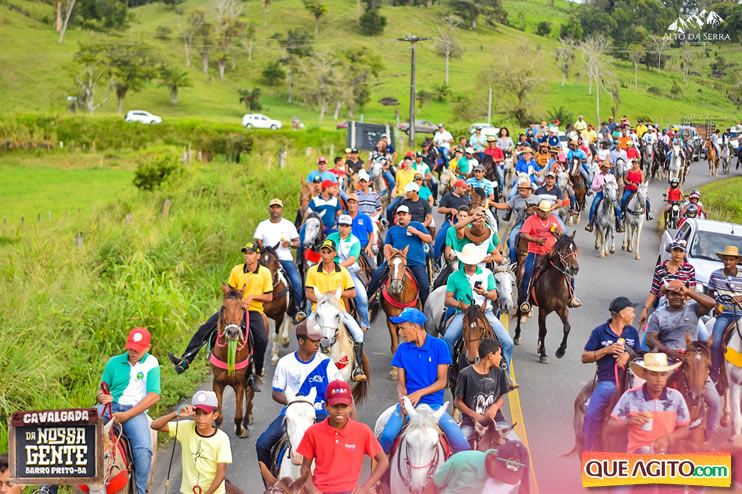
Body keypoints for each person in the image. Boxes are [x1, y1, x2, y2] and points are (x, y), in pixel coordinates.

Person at [168, 242, 271, 387]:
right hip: (233, 308)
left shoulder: (265, 273)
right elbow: (229, 292)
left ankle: (256, 372)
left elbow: (269, 297)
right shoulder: (236, 270)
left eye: (250, 253)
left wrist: (252, 297)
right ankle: (186, 360)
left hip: (253, 310)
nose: (246, 256)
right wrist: (233, 302)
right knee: (205, 328)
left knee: (261, 339)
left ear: (258, 256)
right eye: (245, 253)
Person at [255, 320, 346, 472]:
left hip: (320, 413)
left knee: (337, 446)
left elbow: (340, 390)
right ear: (301, 341)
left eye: (319, 340)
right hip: (291, 412)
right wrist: (294, 403)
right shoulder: (285, 362)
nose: (317, 344)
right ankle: (270, 482)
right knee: (262, 444)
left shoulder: (326, 363)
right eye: (313, 341)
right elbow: (276, 393)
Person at [378, 308, 470, 454]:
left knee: (461, 442)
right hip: (409, 404)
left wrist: (419, 393)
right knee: (387, 436)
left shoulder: (440, 346)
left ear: (415, 326)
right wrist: (403, 399)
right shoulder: (401, 349)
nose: (400, 333)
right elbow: (401, 384)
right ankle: (383, 468)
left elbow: (442, 382)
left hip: (434, 406)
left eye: (402, 328)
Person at [645, 279, 720, 435]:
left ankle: (709, 435)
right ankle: (653, 430)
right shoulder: (658, 315)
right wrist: (669, 351)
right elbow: (650, 339)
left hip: (693, 361)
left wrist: (688, 292)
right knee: (656, 391)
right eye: (673, 294)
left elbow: (712, 303)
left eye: (680, 294)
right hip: (669, 360)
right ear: (666, 296)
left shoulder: (693, 308)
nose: (677, 297)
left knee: (715, 401)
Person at [97, 327, 160, 494]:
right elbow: (101, 390)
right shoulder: (114, 362)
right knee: (76, 429)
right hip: (109, 406)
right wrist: (102, 397)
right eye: (131, 348)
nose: (133, 352)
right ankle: (51, 486)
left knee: (143, 451)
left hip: (134, 412)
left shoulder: (151, 363)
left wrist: (127, 415)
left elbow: (154, 395)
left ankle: (139, 490)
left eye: (137, 350)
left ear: (148, 348)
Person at [297, 380, 388, 494]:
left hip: (350, 491)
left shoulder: (363, 431)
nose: (339, 410)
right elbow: (305, 467)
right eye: (335, 406)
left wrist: (365, 488)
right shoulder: (313, 432)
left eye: (344, 406)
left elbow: (383, 461)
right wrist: (311, 489)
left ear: (350, 407)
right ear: (326, 406)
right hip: (320, 490)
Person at [581, 297, 642, 452]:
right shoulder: (599, 332)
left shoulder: (632, 332)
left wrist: (629, 354)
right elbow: (585, 357)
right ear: (622, 314)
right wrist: (606, 350)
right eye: (631, 312)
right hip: (608, 381)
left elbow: (640, 355)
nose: (634, 315)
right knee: (591, 415)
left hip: (632, 381)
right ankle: (588, 452)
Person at [443, 243, 514, 370]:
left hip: (485, 313)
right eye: (469, 261)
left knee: (508, 342)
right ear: (463, 261)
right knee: (448, 338)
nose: (471, 264)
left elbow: (494, 296)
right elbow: (448, 299)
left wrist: (485, 293)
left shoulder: (487, 274)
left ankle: (505, 372)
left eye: (474, 261)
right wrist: (460, 305)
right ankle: (448, 368)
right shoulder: (454, 277)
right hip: (463, 313)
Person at [305, 239, 366, 382]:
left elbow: (352, 293)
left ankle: (357, 367)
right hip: (318, 310)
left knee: (358, 333)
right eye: (323, 252)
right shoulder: (313, 271)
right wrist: (323, 300)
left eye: (329, 252)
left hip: (338, 310)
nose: (326, 255)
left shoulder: (343, 272)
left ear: (334, 254)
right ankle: (303, 364)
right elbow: (308, 293)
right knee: (302, 332)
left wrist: (336, 295)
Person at [606, 353, 690, 454]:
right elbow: (610, 426)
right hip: (637, 455)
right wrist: (629, 421)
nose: (659, 379)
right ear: (645, 375)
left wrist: (668, 438)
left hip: (666, 455)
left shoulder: (676, 397)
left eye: (663, 374)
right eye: (654, 374)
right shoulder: (630, 396)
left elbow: (685, 429)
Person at [150, 391, 232, 494]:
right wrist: (176, 414)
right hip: (189, 491)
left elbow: (221, 473)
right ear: (193, 414)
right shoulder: (186, 428)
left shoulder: (222, 438)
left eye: (205, 413)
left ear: (215, 415)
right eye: (197, 413)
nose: (201, 418)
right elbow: (155, 425)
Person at [519, 200, 581, 311]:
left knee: (568, 270)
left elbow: (562, 234)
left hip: (551, 253)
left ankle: (572, 297)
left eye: (548, 211)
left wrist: (558, 232)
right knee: (528, 272)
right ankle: (525, 300)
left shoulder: (554, 219)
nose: (546, 214)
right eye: (543, 211)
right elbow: (523, 234)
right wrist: (536, 240)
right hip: (536, 253)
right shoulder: (531, 220)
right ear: (538, 211)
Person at [254, 198, 307, 324]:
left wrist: (290, 243)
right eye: (273, 207)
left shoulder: (288, 225)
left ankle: (297, 310)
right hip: (267, 259)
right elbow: (257, 242)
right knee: (251, 277)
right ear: (269, 209)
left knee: (296, 281)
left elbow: (298, 243)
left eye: (277, 207)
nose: (275, 210)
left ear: (281, 209)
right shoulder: (263, 225)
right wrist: (261, 250)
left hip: (284, 258)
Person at [367, 205, 432, 306]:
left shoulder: (417, 225)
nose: (401, 216)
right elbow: (387, 246)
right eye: (399, 214)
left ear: (409, 216)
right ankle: (369, 300)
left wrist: (416, 232)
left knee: (424, 285)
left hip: (415, 262)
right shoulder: (392, 230)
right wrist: (389, 259)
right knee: (377, 274)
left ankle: (424, 307)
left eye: (404, 214)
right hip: (395, 262)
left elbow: (429, 239)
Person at [454, 338, 512, 445]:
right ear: (490, 355)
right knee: (460, 445)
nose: (501, 357)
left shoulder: (499, 372)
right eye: (499, 354)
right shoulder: (465, 374)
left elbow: (501, 398)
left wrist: (495, 407)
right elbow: (457, 402)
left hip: (497, 420)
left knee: (516, 444)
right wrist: (474, 415)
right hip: (470, 423)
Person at [431, 439, 528, 494]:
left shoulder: (515, 485)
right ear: (494, 458)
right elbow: (432, 485)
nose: (505, 480)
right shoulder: (462, 460)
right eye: (503, 474)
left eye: (511, 479)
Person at [327, 215, 370, 332]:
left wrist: (338, 267)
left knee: (362, 296)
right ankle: (310, 319)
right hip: (330, 270)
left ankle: (364, 321)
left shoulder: (355, 241)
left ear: (351, 227)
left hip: (350, 271)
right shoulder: (331, 237)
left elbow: (352, 259)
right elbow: (325, 253)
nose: (343, 228)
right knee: (315, 291)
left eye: (346, 226)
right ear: (337, 226)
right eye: (341, 225)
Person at [639, 239, 697, 325]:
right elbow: (654, 290)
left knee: (701, 330)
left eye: (681, 251)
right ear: (671, 251)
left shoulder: (690, 269)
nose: (677, 254)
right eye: (675, 250)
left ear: (684, 253)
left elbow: (692, 292)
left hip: (684, 302)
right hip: (665, 301)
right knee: (653, 323)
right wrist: (645, 309)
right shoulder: (660, 267)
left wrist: (681, 299)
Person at [708, 246, 742, 383]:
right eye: (726, 259)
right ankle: (714, 372)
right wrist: (716, 305)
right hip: (724, 315)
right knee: (715, 342)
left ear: (737, 261)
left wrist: (740, 297)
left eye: (731, 259)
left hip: (740, 314)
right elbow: (710, 293)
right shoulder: (715, 275)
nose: (728, 262)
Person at [491, 181, 536, 263]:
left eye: (523, 191)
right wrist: (493, 204)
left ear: (528, 190)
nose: (520, 192)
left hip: (535, 224)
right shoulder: (515, 199)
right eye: (520, 190)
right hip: (521, 223)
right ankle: (512, 262)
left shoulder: (537, 199)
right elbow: (505, 205)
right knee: (511, 239)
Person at [434, 180, 470, 263]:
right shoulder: (447, 196)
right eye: (463, 188)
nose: (465, 190)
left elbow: (470, 210)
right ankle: (436, 260)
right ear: (457, 187)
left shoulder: (466, 198)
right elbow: (440, 209)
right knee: (440, 237)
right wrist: (450, 210)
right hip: (451, 221)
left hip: (465, 222)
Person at [585, 162, 624, 233]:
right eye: (605, 167)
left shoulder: (612, 176)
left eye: (608, 168)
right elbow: (593, 186)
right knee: (593, 206)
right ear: (602, 168)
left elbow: (616, 186)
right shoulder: (597, 176)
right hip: (600, 194)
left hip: (610, 195)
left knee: (617, 207)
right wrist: (600, 186)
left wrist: (610, 186)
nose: (606, 169)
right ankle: (590, 224)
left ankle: (619, 225)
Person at [386, 155, 417, 223]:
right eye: (406, 163)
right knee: (389, 209)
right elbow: (396, 185)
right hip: (400, 195)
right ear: (403, 163)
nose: (407, 165)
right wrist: (394, 191)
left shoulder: (415, 173)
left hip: (409, 196)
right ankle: (390, 225)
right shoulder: (399, 172)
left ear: (411, 163)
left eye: (409, 163)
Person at [345, 193, 376, 259]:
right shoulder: (342, 217)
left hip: (362, 248)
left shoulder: (366, 218)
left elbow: (371, 234)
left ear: (357, 204)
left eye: (354, 203)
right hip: (347, 247)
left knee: (372, 265)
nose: (352, 205)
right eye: (350, 202)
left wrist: (368, 246)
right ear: (347, 203)